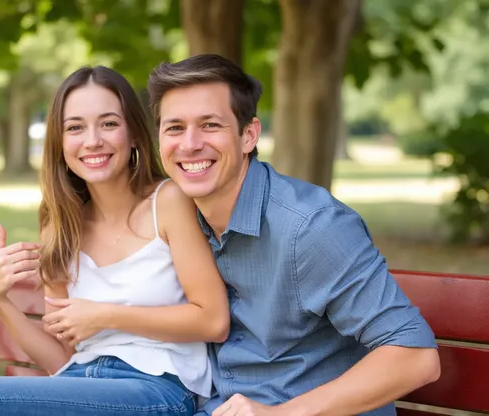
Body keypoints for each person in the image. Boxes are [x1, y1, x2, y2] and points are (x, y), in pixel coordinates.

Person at [145, 54, 441, 416]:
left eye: (210, 125)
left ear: (248, 135)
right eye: (174, 128)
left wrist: (280, 414)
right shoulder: (180, 220)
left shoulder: (311, 227)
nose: (189, 144)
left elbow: (416, 356)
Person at [0, 65, 230, 416]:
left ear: (134, 134)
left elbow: (213, 321)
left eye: (108, 123)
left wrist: (106, 316)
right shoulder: (61, 226)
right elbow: (62, 360)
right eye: (75, 127)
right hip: (81, 384)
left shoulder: (167, 202)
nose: (92, 140)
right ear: (60, 144)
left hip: (157, 389)